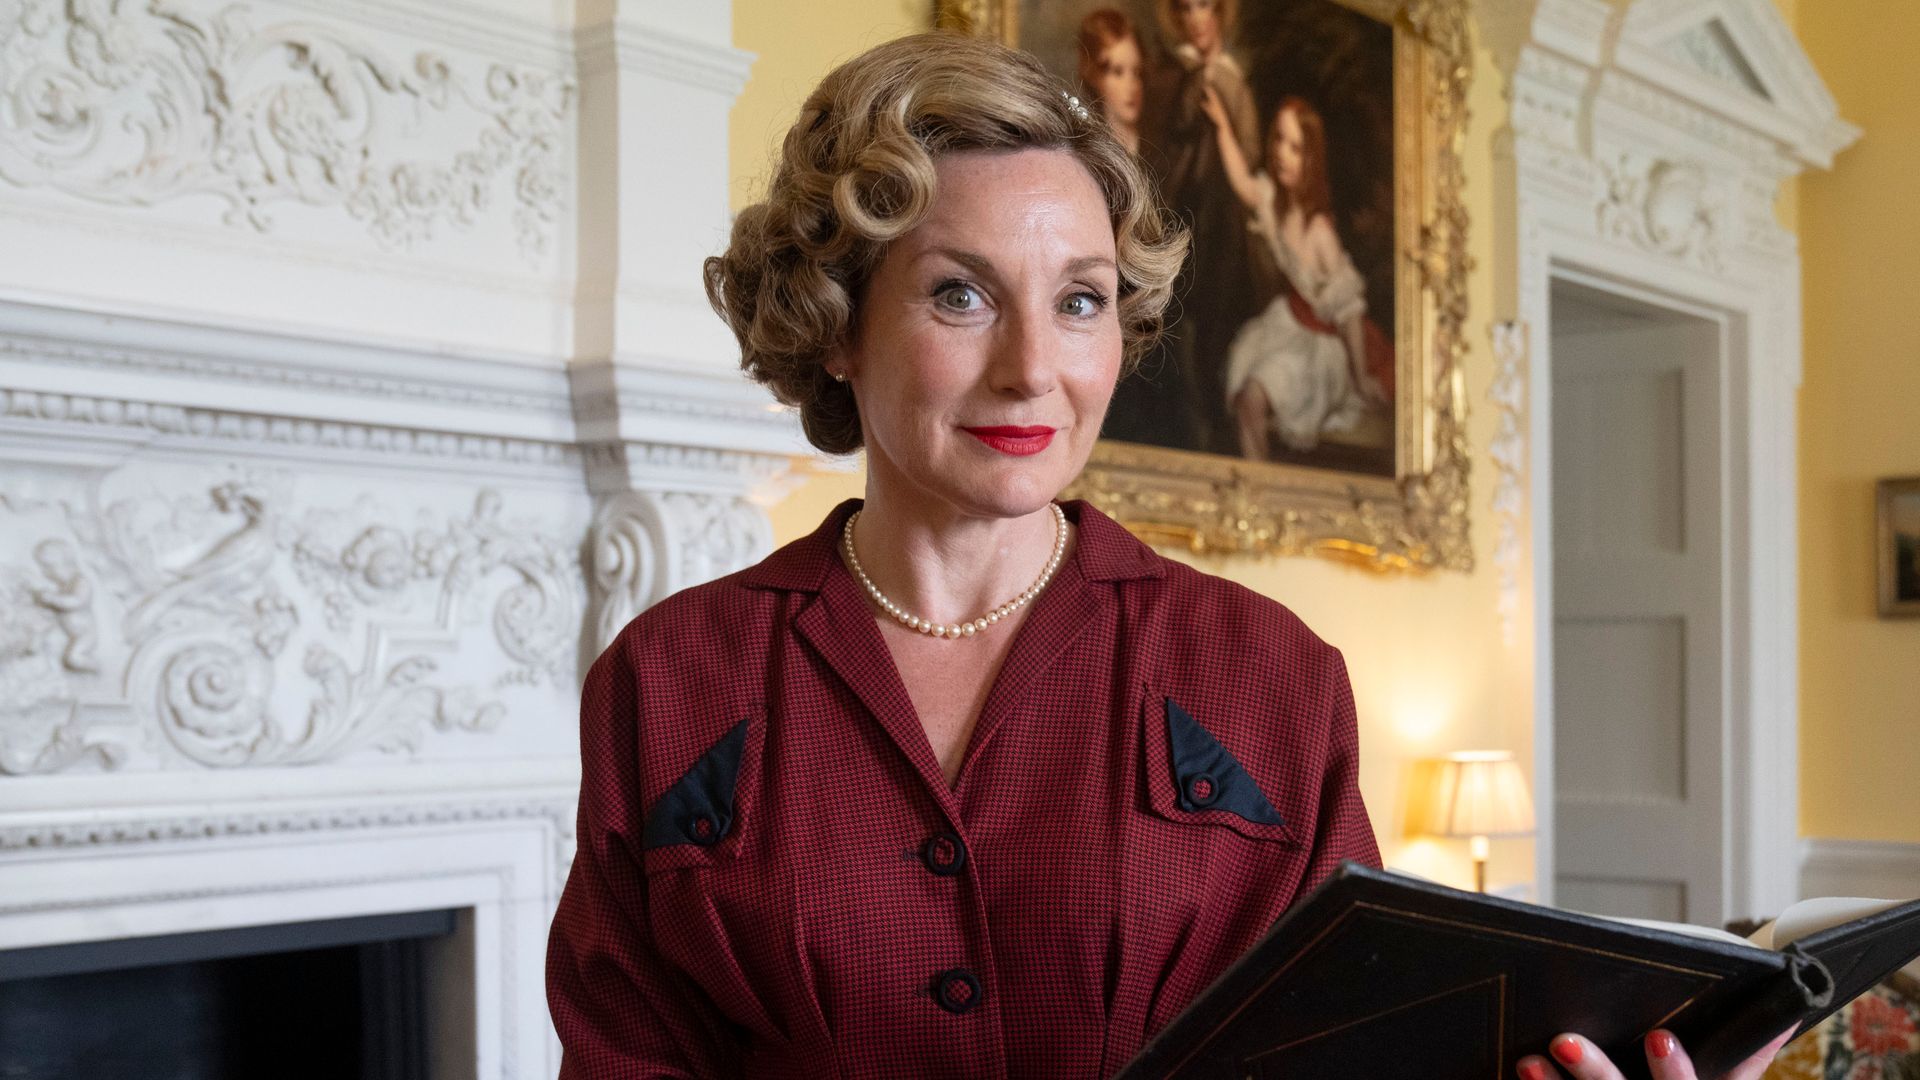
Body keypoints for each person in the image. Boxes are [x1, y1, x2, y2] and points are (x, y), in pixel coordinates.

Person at [544, 30, 1793, 1080]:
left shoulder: (1272, 681)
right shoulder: (672, 681)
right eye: (961, 295)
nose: (1035, 366)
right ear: (833, 326)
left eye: (1080, 299)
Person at [1201, 90, 1394, 459]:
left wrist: (1359, 374)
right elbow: (1242, 181)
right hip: (1287, 325)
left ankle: (1259, 496)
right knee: (1245, 400)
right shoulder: (1274, 202)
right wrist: (1224, 126)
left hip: (1319, 347)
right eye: (1279, 140)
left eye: (1296, 147)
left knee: (1251, 399)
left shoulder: (1320, 231)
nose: (1282, 154)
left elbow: (1349, 311)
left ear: (1312, 159)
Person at [1077, 9, 1145, 157]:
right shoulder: (1087, 150)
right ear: (1095, 76)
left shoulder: (1165, 149)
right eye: (1118, 72)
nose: (1132, 86)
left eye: (1136, 72)